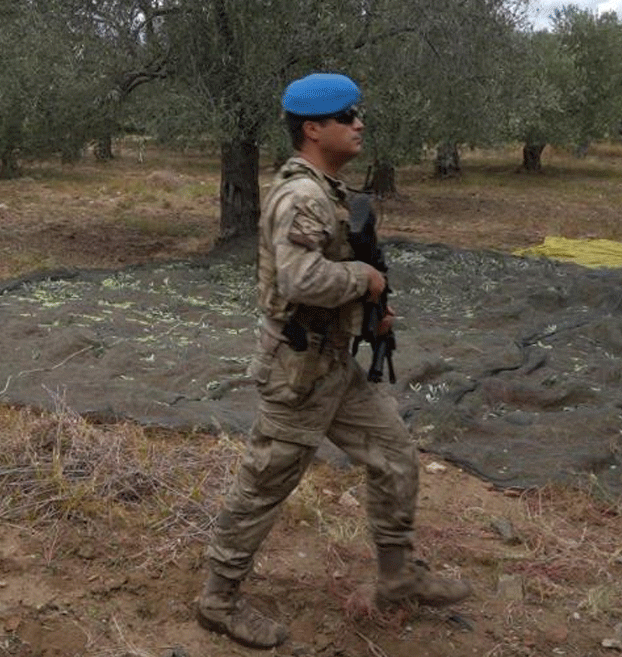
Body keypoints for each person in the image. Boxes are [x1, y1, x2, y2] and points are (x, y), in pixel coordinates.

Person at [195, 73, 472, 649]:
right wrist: (362, 279)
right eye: (347, 116)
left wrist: (370, 313)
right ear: (313, 129)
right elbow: (299, 279)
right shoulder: (302, 196)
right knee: (264, 484)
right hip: (297, 372)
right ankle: (217, 601)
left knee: (394, 455)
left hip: (332, 366)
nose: (359, 124)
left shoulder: (327, 191)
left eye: (357, 113)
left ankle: (396, 577)